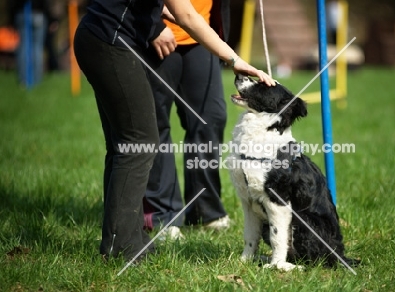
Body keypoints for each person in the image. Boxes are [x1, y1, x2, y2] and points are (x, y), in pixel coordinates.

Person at [73, 0, 275, 262]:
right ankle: (123, 246)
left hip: (102, 37)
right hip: (111, 41)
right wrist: (235, 60)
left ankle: (127, 237)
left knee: (125, 144)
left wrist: (156, 11)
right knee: (140, 140)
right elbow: (187, 14)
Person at [142, 0, 231, 237]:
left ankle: (204, 209)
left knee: (211, 118)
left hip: (201, 31)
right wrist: (151, 25)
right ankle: (162, 215)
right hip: (155, 35)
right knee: (154, 124)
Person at [9, 0, 55, 86]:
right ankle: (36, 80)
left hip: (22, 13)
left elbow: (12, 3)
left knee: (23, 47)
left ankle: (24, 80)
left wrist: (11, 18)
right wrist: (50, 18)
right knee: (37, 48)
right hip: (38, 14)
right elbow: (46, 3)